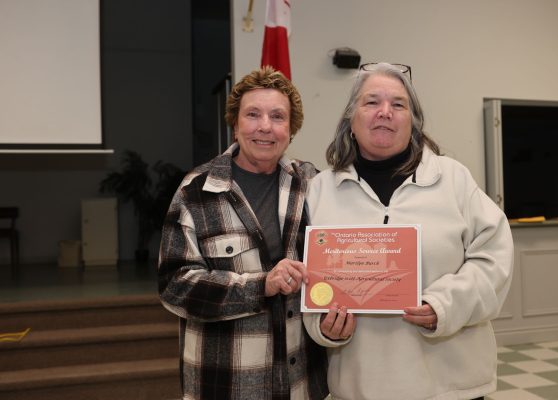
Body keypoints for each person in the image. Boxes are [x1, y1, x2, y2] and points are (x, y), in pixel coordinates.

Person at [302, 62, 514, 400]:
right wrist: (325, 327)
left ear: (413, 121)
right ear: (350, 119)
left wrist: (444, 306)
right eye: (371, 102)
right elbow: (309, 281)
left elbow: (494, 259)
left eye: (398, 104)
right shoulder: (320, 190)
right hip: (361, 386)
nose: (385, 112)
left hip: (452, 386)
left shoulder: (453, 179)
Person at [158, 66, 328, 400]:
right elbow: (174, 285)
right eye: (253, 114)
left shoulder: (312, 185)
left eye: (278, 116)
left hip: (302, 384)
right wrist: (260, 285)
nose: (265, 126)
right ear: (235, 124)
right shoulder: (196, 191)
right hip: (226, 384)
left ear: (291, 129)